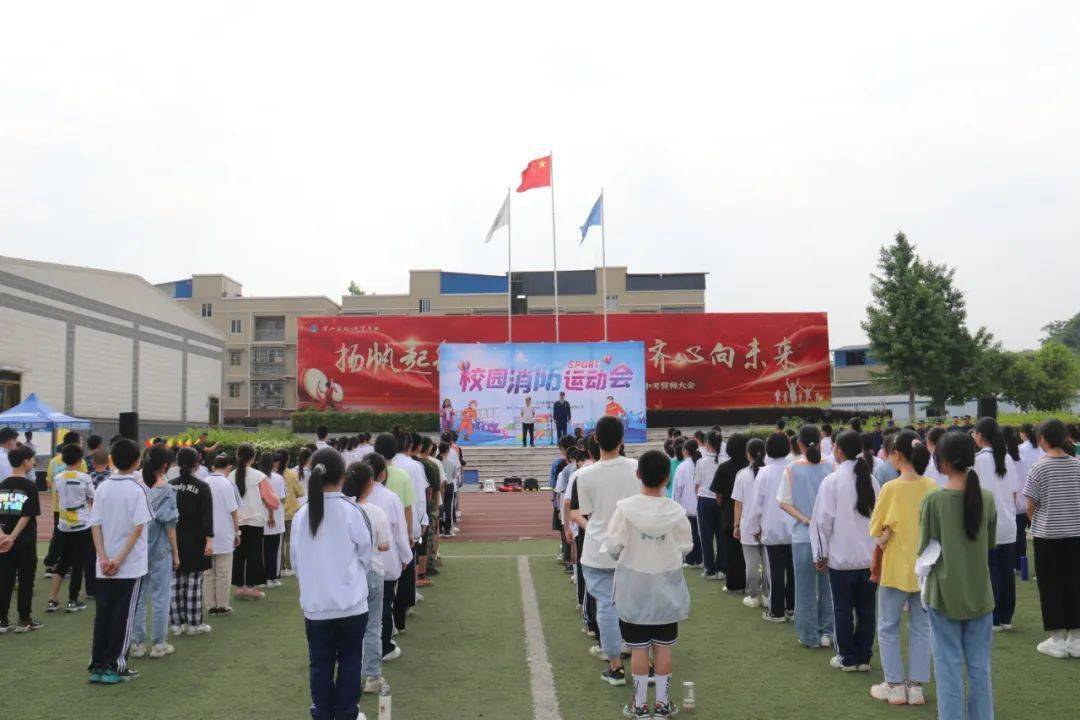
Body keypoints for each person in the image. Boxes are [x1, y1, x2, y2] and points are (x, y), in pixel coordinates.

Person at [601, 450, 692, 719]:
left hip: (633, 586)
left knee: (639, 648)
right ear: (667, 478)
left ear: (638, 474)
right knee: (663, 647)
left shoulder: (625, 508)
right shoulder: (676, 511)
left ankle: (640, 705)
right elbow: (686, 546)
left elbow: (613, 546)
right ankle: (662, 704)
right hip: (666, 586)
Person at [290, 447, 374, 720]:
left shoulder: (302, 515)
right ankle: (347, 714)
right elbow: (366, 554)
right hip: (351, 604)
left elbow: (295, 562)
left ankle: (323, 714)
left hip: (316, 606)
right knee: (350, 661)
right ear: (343, 476)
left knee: (320, 664)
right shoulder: (352, 510)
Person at [920, 430, 996, 720]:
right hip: (979, 593)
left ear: (945, 462)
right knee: (979, 667)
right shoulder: (986, 498)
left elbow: (924, 550)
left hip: (943, 595)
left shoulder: (934, 501)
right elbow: (989, 544)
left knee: (948, 667)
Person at [867, 430, 936, 704]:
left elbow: (876, 529)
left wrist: (885, 536)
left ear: (896, 455)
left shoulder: (891, 489)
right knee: (921, 627)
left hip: (896, 568)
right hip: (926, 569)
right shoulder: (932, 487)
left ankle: (894, 685)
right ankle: (915, 687)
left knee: (888, 626)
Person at [573, 416, 640, 686]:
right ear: (622, 439)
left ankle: (615, 667)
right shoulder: (636, 468)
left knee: (606, 607)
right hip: (632, 547)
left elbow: (587, 513)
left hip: (599, 548)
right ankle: (644, 662)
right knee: (636, 606)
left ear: (596, 439)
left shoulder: (584, 475)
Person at [811, 430, 879, 673]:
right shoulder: (871, 480)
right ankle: (863, 656)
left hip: (841, 560)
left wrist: (820, 555)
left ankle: (847, 657)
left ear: (838, 450)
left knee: (842, 609)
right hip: (868, 559)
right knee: (866, 611)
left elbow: (822, 522)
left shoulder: (832, 481)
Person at [88, 438, 152, 684]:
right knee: (123, 616)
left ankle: (99, 664)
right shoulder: (137, 489)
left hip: (104, 564)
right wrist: (117, 560)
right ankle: (115, 665)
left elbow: (95, 524)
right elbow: (138, 528)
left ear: (112, 459)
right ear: (137, 462)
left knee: (104, 614)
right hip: (128, 565)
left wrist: (104, 558)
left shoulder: (103, 487)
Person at [1023, 419, 1080, 658]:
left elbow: (1029, 505)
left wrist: (1036, 522)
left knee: (1050, 585)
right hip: (1076, 533)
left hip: (1047, 535)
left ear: (1042, 439)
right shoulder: (1077, 465)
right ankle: (1076, 639)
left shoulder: (1039, 467)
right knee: (1075, 583)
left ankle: (1057, 640)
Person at [778, 425, 835, 648]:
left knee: (804, 588)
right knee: (828, 586)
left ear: (799, 444)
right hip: (828, 536)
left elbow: (784, 502)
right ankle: (828, 632)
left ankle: (809, 635)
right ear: (820, 441)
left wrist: (805, 520)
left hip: (803, 536)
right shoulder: (831, 466)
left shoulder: (792, 468)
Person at [359, 452, 412, 674]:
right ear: (382, 474)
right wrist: (406, 557)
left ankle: (363, 649)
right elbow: (399, 532)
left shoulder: (350, 498)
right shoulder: (390, 498)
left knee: (362, 608)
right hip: (384, 561)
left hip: (357, 564)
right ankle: (385, 647)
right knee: (383, 605)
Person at [343, 460, 391, 696]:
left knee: (347, 625)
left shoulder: (342, 510)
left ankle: (347, 674)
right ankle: (372, 676)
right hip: (372, 570)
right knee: (372, 625)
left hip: (348, 572)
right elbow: (385, 544)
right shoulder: (375, 511)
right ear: (370, 483)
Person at [130, 445, 180, 660]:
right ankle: (159, 644)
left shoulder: (137, 487)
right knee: (161, 598)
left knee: (138, 599)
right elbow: (170, 525)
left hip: (138, 551)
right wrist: (176, 553)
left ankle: (137, 643)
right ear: (165, 465)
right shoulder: (167, 490)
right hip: (160, 551)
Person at [973, 417, 1019, 631]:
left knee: (991, 570)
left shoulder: (978, 460)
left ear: (981, 435)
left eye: (975, 433)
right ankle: (1006, 617)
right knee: (1006, 571)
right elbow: (1014, 493)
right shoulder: (1006, 458)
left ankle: (994, 617)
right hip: (1008, 523)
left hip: (988, 524)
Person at [745, 432, 795, 622]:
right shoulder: (794, 467)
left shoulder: (765, 472)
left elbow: (756, 504)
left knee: (775, 572)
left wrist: (753, 528)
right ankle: (792, 607)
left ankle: (777, 611)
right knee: (793, 571)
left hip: (772, 529)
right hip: (794, 528)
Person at [168, 447, 214, 636]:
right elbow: (207, 517)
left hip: (173, 541)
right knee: (194, 583)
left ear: (177, 463)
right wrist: (209, 541)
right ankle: (194, 623)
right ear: (197, 463)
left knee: (175, 583)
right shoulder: (202, 487)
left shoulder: (169, 485)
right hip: (196, 541)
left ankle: (176, 624)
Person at [46, 443, 95, 614]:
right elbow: (92, 498)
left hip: (64, 526)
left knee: (63, 562)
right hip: (82, 525)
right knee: (78, 563)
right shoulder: (85, 478)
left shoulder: (58, 478)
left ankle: (52, 600)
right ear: (80, 460)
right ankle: (73, 600)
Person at [0, 445, 43, 633]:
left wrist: (3, 535)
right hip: (24, 541)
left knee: (5, 580)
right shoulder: (30, 486)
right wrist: (13, 537)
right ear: (25, 461)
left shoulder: (2, 485)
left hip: (3, 542)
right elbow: (27, 515)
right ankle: (24, 619)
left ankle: (2, 620)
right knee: (26, 580)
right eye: (32, 459)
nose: (33, 462)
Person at [231, 444, 279, 600]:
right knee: (254, 555)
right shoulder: (259, 476)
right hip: (255, 520)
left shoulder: (230, 476)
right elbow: (272, 500)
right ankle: (252, 589)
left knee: (238, 555)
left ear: (237, 456)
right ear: (253, 459)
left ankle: (239, 588)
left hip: (236, 521)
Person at [733, 438, 769, 608]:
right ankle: (769, 595)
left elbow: (738, 504)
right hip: (768, 524)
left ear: (748, 455)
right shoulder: (769, 473)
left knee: (751, 564)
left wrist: (736, 525)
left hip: (748, 524)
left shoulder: (742, 475)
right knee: (768, 563)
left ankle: (754, 596)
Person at [711, 433, 749, 593]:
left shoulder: (724, 467)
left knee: (731, 551)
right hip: (750, 513)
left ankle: (734, 584)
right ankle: (752, 582)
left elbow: (718, 494)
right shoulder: (753, 467)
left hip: (729, 513)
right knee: (750, 553)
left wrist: (722, 507)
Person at [204, 454, 240, 615]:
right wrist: (237, 532)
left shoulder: (204, 482)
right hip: (224, 532)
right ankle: (222, 604)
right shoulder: (227, 484)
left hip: (206, 533)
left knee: (208, 572)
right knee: (223, 572)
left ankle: (210, 604)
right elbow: (233, 511)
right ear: (228, 467)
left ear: (213, 466)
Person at [694, 430, 724, 581]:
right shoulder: (724, 461)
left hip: (705, 500)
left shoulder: (701, 462)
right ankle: (721, 568)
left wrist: (698, 497)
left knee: (706, 536)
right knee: (721, 536)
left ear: (707, 443)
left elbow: (697, 484)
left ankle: (710, 569)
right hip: (721, 501)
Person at [671, 439, 701, 567]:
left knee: (689, 534)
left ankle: (690, 559)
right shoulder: (700, 464)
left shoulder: (682, 467)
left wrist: (674, 504)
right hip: (699, 505)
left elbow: (677, 488)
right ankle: (700, 559)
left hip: (686, 507)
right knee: (699, 534)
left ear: (685, 451)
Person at [261, 452, 288, 588]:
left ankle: (262, 578)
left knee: (262, 549)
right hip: (276, 517)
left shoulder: (257, 478)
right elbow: (282, 498)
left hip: (261, 517)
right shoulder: (278, 478)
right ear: (273, 463)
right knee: (274, 549)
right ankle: (272, 578)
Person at [281, 448, 306, 577]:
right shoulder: (291, 474)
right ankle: (288, 566)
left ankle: (280, 567)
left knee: (279, 542)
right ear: (288, 459)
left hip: (277, 512)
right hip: (290, 510)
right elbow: (300, 492)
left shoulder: (271, 475)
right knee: (289, 541)